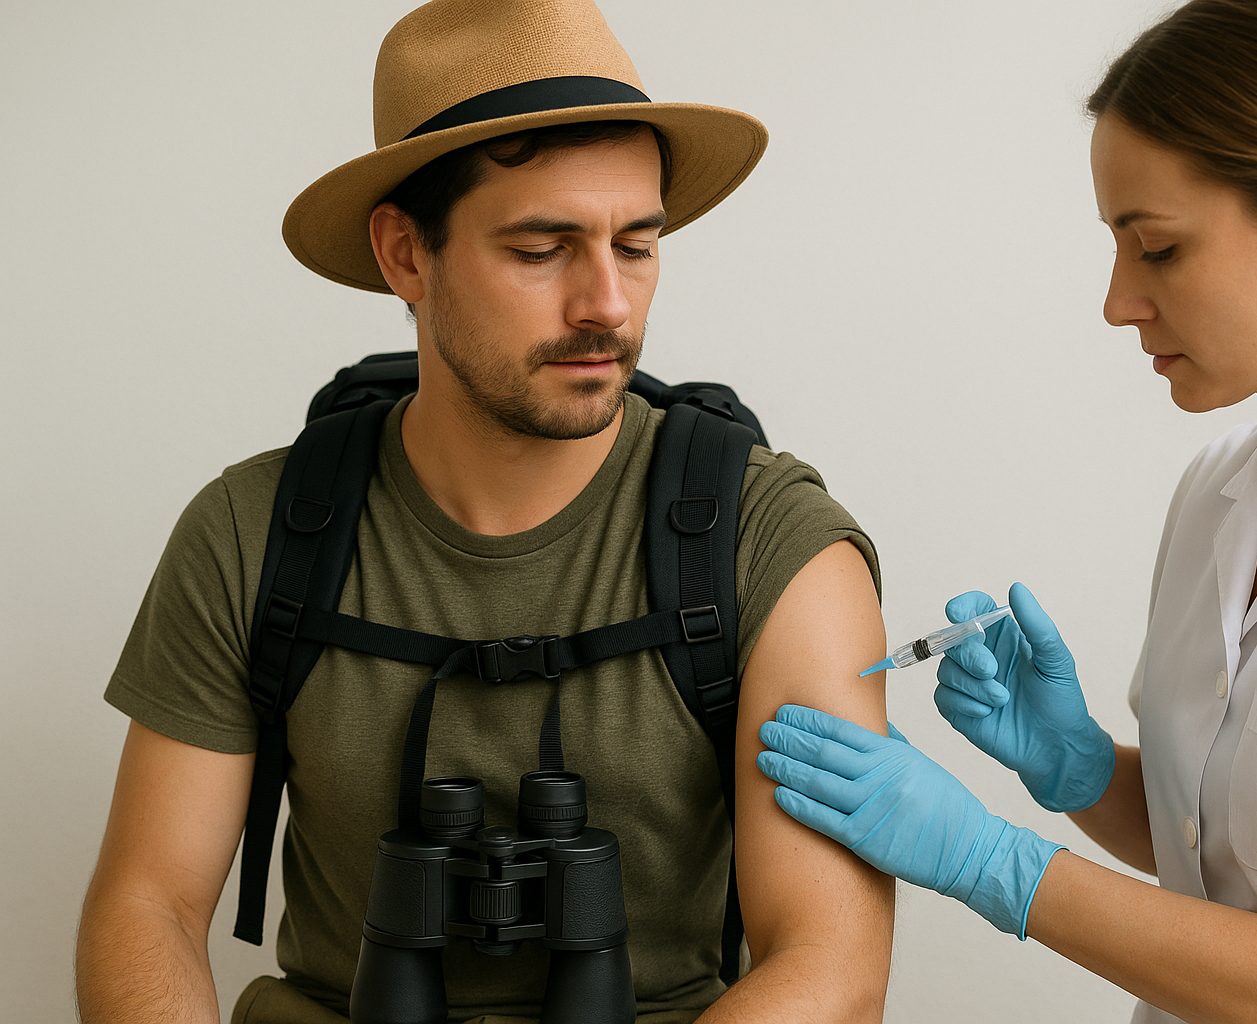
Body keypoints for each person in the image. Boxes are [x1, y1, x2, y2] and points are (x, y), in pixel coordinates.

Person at [74, 1, 895, 1022]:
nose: (608, 303)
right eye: (543, 247)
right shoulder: (251, 530)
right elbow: (146, 904)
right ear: (405, 254)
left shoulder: (771, 545)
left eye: (635, 245)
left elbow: (832, 961)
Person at [756, 0, 1257, 1021]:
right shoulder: (1219, 493)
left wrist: (994, 861)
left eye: (1157, 248)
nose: (1118, 301)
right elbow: (1231, 860)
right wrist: (1083, 771)